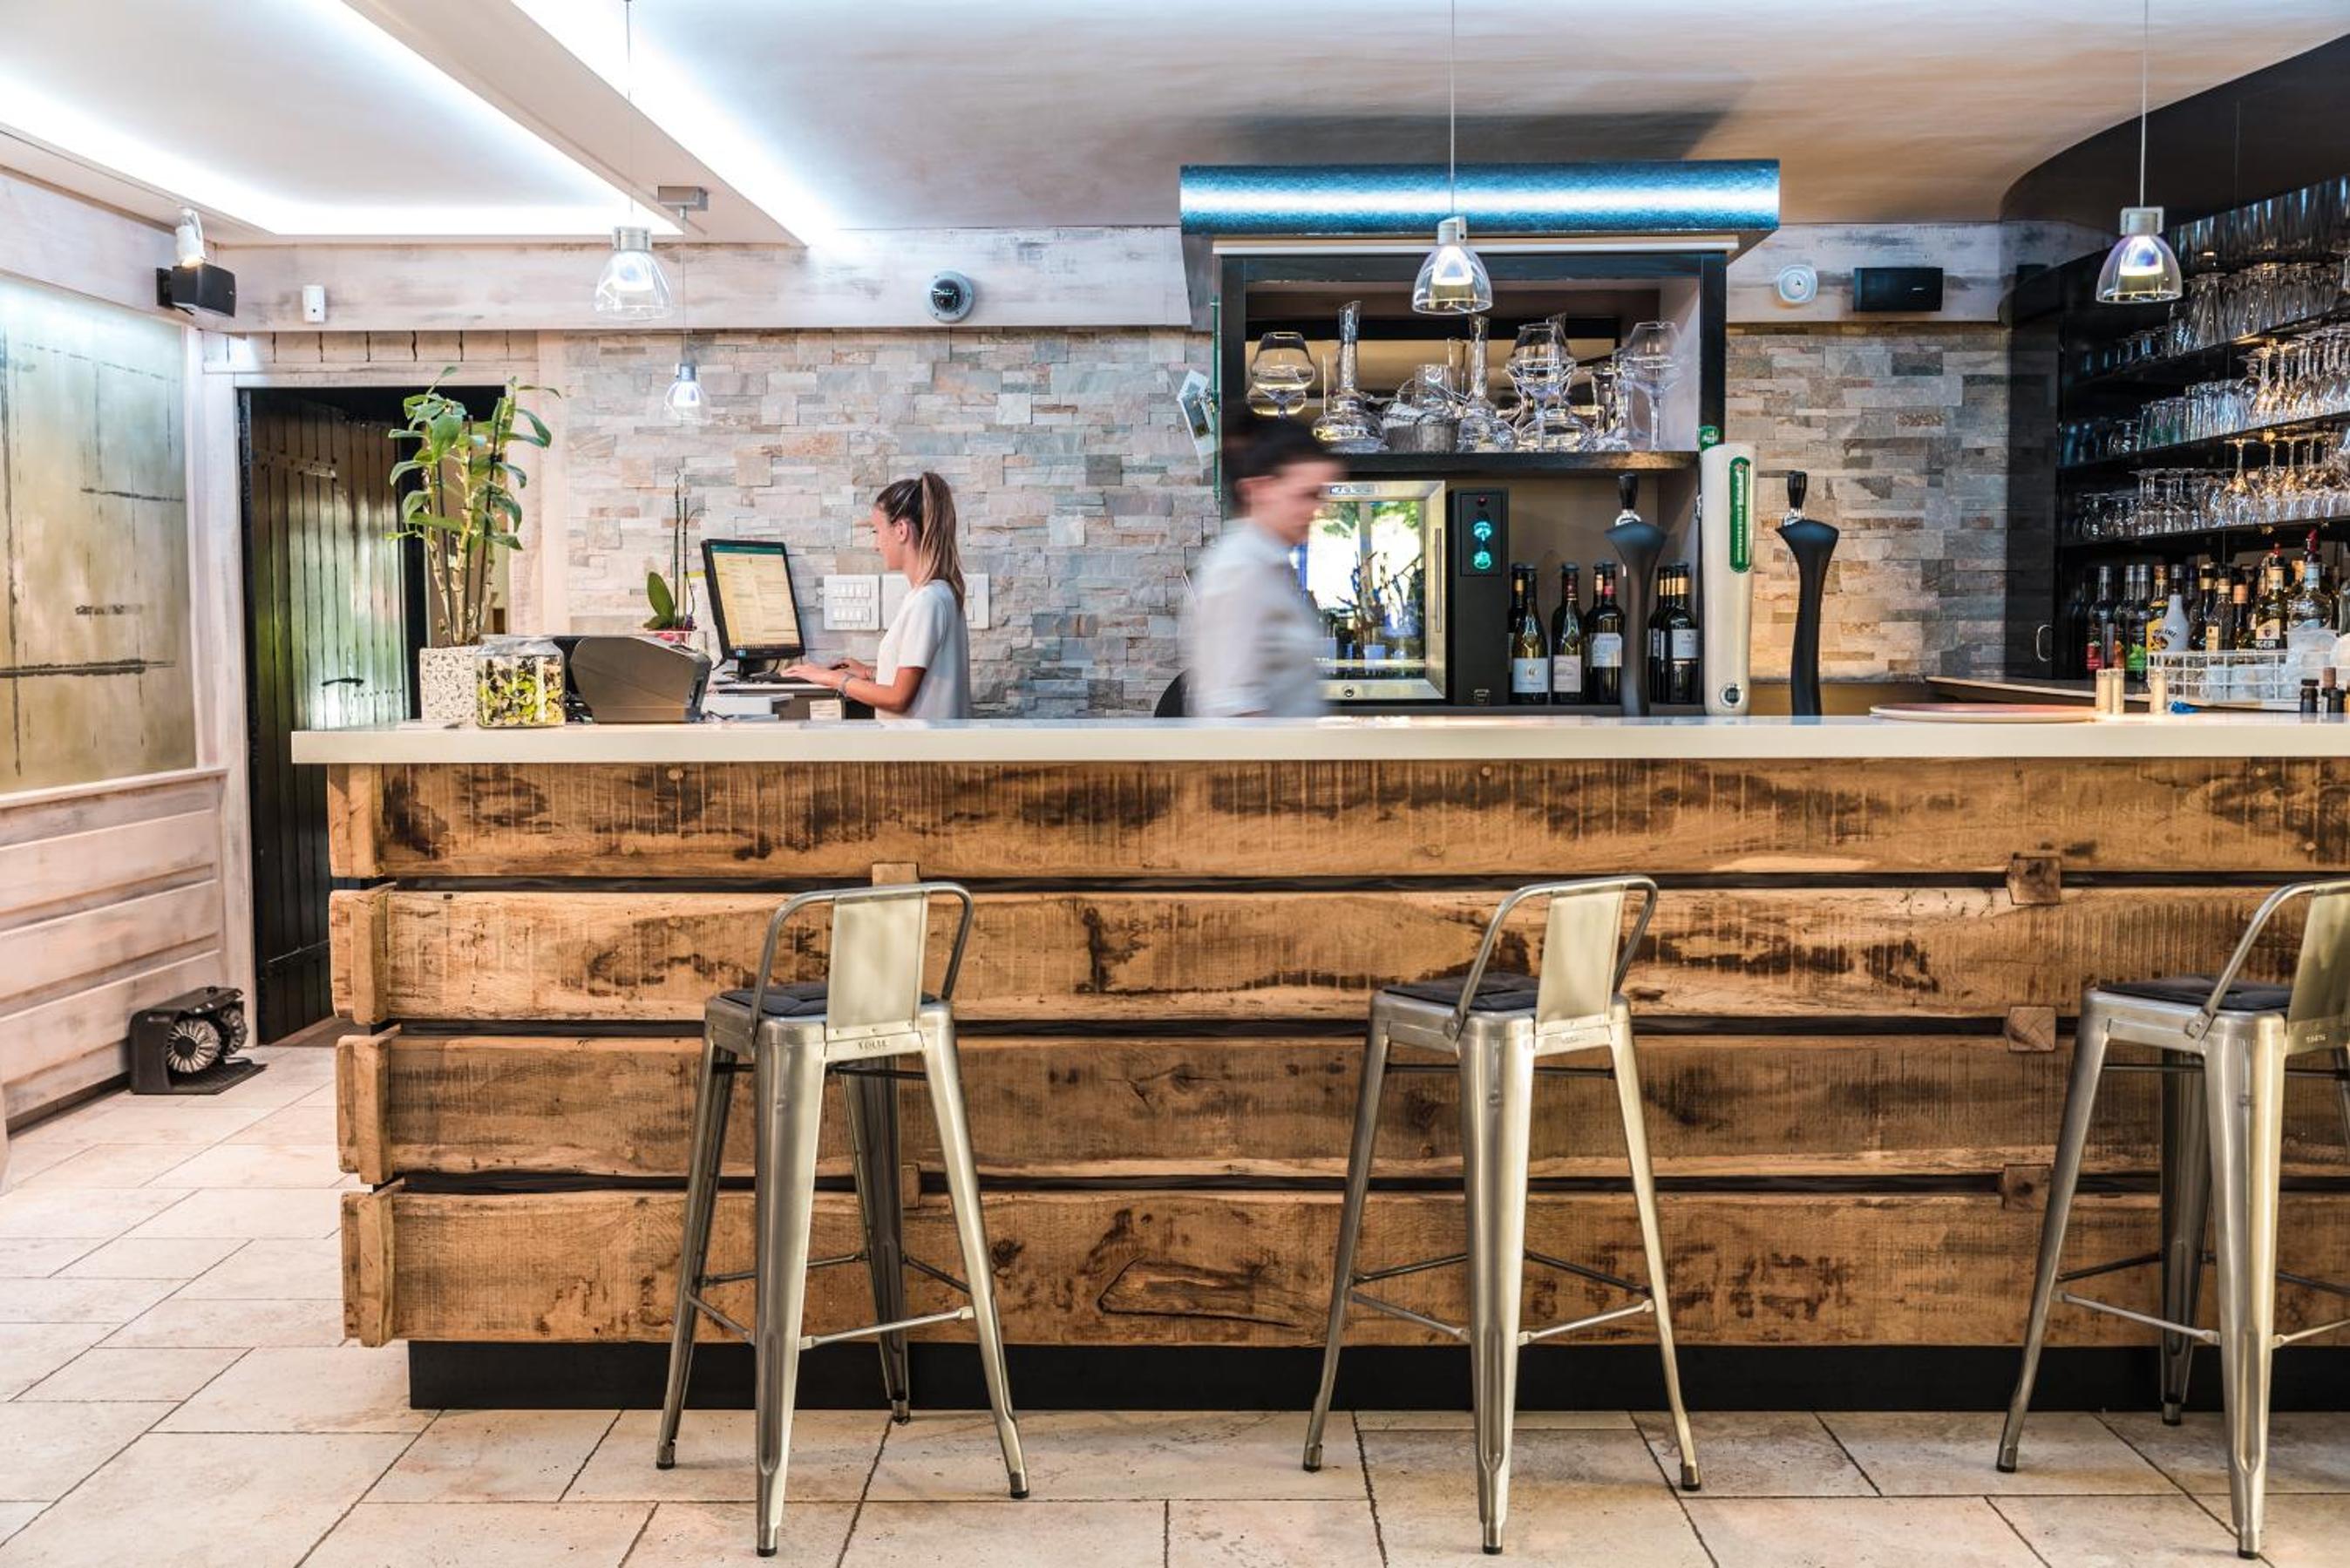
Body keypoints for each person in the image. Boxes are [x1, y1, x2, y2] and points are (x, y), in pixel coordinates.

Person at [1185, 418, 1344, 718]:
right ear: (1257, 490)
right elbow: (1235, 709)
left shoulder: (1269, 564)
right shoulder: (1240, 570)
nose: (1318, 509)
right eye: (1307, 495)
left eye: (1322, 496)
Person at [784, 472, 971, 721]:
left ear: (901, 530)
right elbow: (924, 679)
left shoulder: (928, 601)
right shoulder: (942, 592)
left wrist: (832, 678)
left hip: (919, 744)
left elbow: (898, 698)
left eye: (877, 531)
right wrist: (869, 673)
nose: (876, 545)